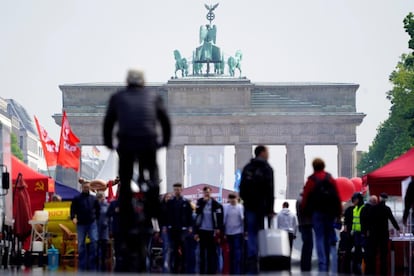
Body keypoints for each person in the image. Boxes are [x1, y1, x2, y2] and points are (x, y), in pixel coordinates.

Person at [103, 69, 171, 272]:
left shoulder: (117, 97)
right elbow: (165, 123)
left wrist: (109, 143)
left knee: (124, 177)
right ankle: (154, 206)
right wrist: (164, 142)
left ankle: (124, 208)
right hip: (149, 142)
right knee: (153, 174)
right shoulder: (154, 96)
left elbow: (108, 123)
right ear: (143, 82)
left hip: (126, 143)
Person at [301, 158, 342, 272]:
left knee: (319, 237)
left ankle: (322, 262)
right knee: (328, 236)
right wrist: (338, 213)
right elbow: (337, 197)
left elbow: (305, 198)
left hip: (317, 212)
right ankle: (328, 260)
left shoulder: (311, 180)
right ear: (324, 166)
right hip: (330, 212)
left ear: (313, 166)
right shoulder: (330, 179)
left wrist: (306, 213)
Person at [239, 145, 274, 274]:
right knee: (261, 233)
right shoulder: (267, 168)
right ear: (262, 153)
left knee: (252, 234)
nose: (268, 154)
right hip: (261, 207)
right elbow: (270, 190)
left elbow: (241, 189)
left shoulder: (247, 168)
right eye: (267, 152)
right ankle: (261, 258)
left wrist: (246, 200)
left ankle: (252, 259)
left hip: (249, 206)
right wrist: (270, 209)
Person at [366, 192, 400, 275]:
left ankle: (372, 272)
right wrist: (398, 228)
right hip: (384, 234)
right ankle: (383, 272)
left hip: (374, 234)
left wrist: (368, 230)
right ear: (386, 199)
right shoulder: (387, 209)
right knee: (383, 255)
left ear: (379, 198)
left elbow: (368, 220)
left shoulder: (373, 208)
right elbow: (392, 219)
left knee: (373, 253)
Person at [70, 181, 100, 271]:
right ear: (82, 188)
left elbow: (98, 209)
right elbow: (72, 209)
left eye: (87, 187)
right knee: (81, 244)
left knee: (94, 241)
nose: (86, 188)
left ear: (89, 187)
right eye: (85, 187)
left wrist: (97, 219)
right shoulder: (76, 198)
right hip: (81, 224)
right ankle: (82, 262)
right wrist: (73, 218)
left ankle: (92, 260)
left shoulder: (94, 198)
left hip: (92, 223)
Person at [194, 186, 224, 274]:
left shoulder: (216, 204)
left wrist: (218, 228)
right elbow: (197, 214)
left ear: (211, 193)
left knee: (212, 253)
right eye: (205, 192)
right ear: (203, 193)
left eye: (208, 192)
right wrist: (196, 232)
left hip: (211, 231)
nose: (207, 193)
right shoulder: (200, 201)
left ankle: (211, 272)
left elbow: (219, 218)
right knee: (202, 253)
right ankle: (202, 272)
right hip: (202, 230)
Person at [166, 183, 194, 273]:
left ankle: (183, 271)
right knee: (174, 251)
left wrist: (189, 227)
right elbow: (167, 215)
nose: (177, 191)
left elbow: (190, 216)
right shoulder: (170, 202)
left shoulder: (186, 202)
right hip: (173, 230)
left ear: (181, 190)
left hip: (183, 231)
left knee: (184, 251)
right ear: (174, 190)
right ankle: (174, 270)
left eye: (178, 189)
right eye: (175, 189)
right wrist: (168, 226)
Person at [223, 193, 244, 274]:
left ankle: (237, 272)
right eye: (231, 199)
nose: (232, 200)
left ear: (237, 199)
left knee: (237, 253)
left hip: (238, 233)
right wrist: (223, 232)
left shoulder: (240, 207)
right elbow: (224, 220)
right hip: (228, 233)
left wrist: (244, 231)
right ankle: (232, 272)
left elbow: (243, 220)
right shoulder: (226, 207)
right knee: (231, 254)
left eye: (234, 199)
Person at [296, 191, 313, 272]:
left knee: (306, 244)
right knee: (308, 245)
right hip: (307, 224)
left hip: (302, 224)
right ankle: (306, 265)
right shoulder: (303, 200)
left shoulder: (298, 200)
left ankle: (304, 264)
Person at [350, 192, 365, 275]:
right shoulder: (355, 209)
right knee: (357, 248)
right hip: (356, 232)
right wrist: (352, 229)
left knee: (362, 249)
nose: (353, 202)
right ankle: (358, 264)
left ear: (358, 200)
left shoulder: (363, 208)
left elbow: (364, 221)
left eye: (354, 200)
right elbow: (354, 221)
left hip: (362, 232)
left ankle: (361, 263)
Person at [96, 192, 109, 271]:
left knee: (104, 248)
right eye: (99, 197)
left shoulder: (107, 206)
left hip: (105, 230)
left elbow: (110, 218)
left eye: (102, 197)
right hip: (96, 230)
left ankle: (103, 263)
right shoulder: (95, 206)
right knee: (96, 247)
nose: (101, 198)